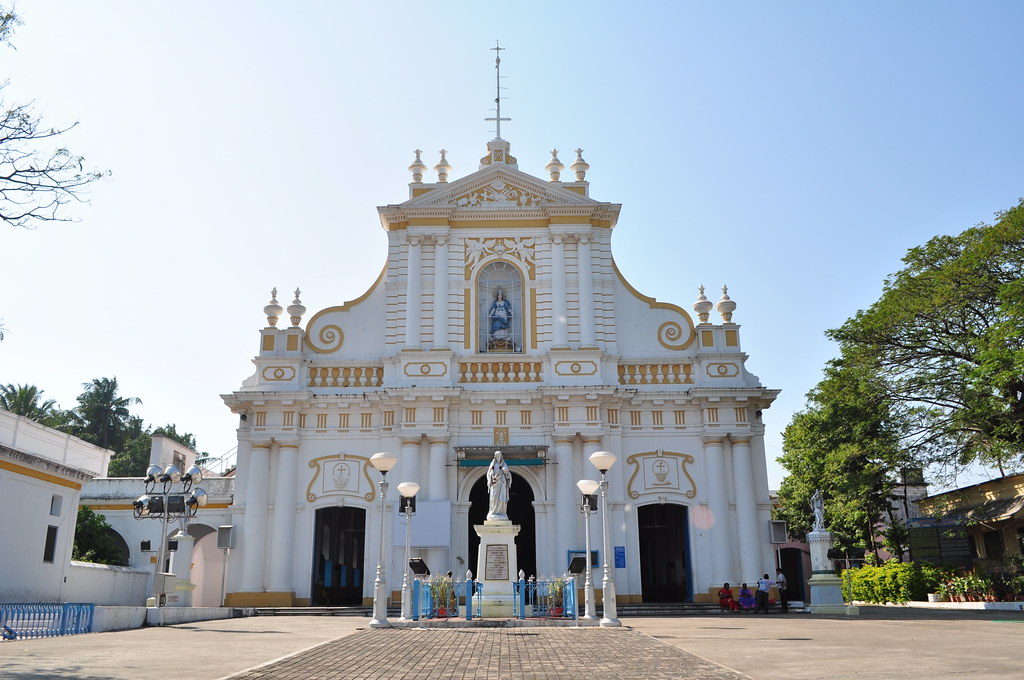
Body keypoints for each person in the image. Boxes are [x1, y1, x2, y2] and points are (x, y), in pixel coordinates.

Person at [486, 450, 512, 521]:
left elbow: (508, 474)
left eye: (499, 456)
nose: (498, 458)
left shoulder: (504, 464)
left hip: (501, 484)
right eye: (497, 456)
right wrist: (491, 478)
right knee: (494, 498)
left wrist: (505, 471)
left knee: (501, 499)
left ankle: (501, 512)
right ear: (495, 457)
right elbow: (489, 473)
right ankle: (493, 512)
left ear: (501, 457)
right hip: (494, 484)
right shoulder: (492, 464)